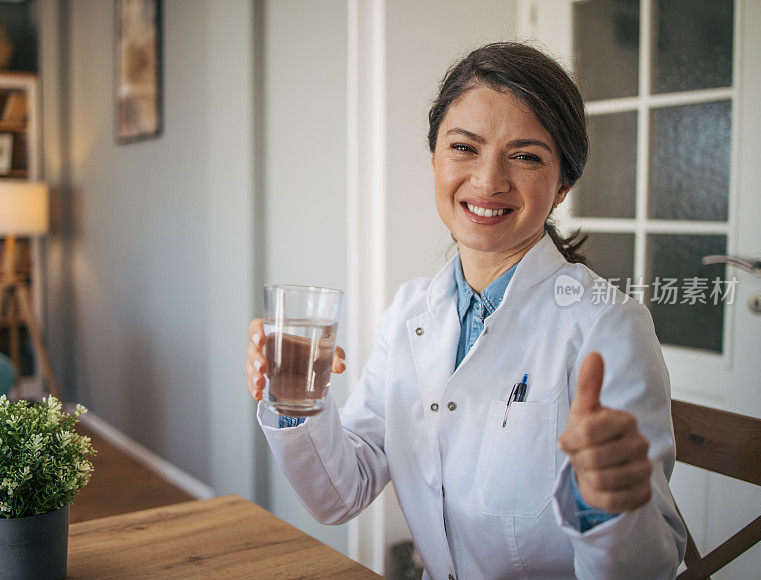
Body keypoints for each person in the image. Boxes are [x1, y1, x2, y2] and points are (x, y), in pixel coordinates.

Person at [245, 42, 686, 579]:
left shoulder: (608, 325)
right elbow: (342, 493)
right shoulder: (409, 311)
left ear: (563, 183)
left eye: (525, 156)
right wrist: (298, 398)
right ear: (434, 158)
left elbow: (652, 569)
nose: (488, 181)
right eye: (464, 148)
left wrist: (604, 505)